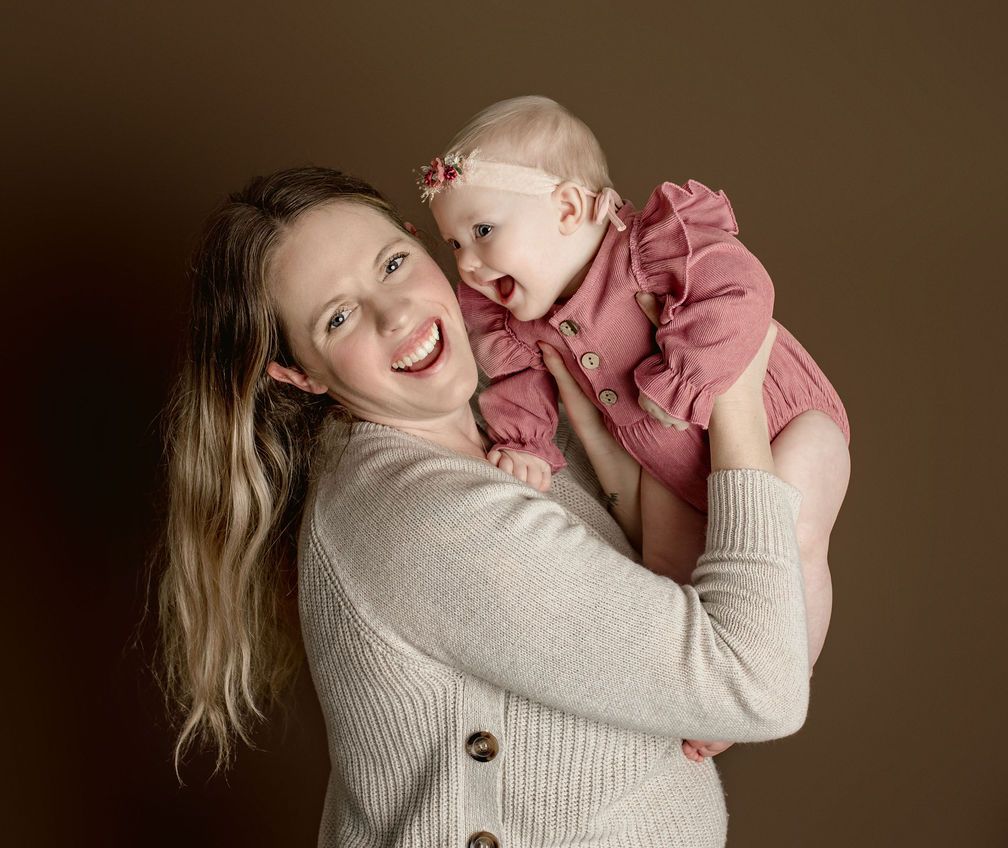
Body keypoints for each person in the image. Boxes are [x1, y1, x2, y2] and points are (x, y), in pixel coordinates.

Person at [159, 166, 809, 847]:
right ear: (297, 374)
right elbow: (757, 682)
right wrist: (729, 382)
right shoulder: (425, 515)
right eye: (339, 317)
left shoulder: (510, 438)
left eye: (392, 263)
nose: (397, 314)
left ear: (424, 245)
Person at [422, 96, 851, 759]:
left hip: (788, 422)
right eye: (453, 244)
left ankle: (779, 676)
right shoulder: (521, 320)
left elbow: (742, 289)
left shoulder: (650, 249)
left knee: (789, 537)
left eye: (482, 232)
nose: (468, 264)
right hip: (671, 470)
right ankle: (711, 692)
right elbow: (515, 382)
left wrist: (689, 374)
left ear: (567, 209)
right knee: (666, 578)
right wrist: (525, 444)